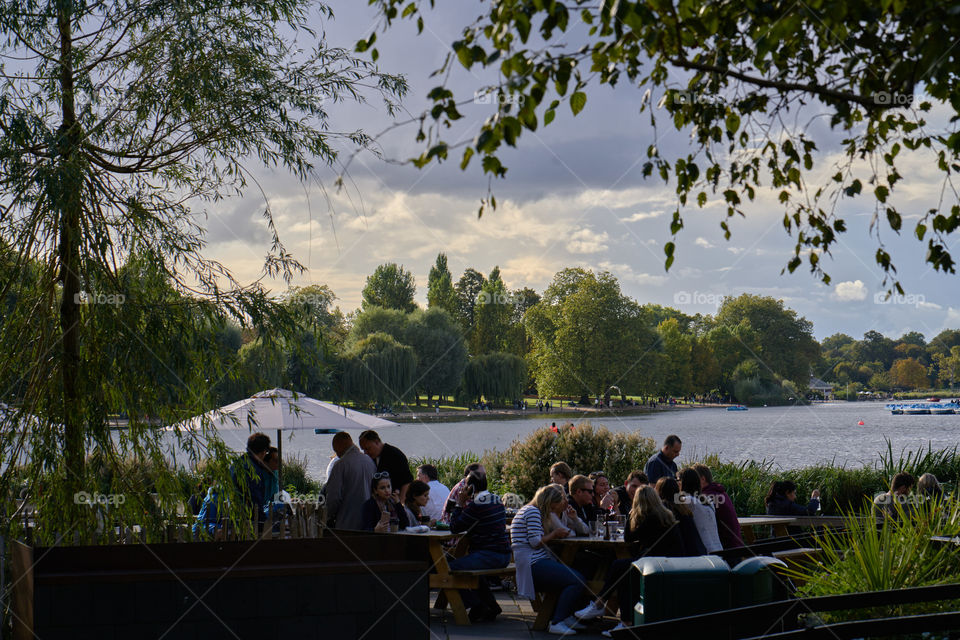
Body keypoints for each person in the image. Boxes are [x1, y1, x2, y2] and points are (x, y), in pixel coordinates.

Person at [574, 487, 683, 637]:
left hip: (658, 564)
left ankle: (601, 604)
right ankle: (624, 621)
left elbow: (628, 537)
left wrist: (631, 515)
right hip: (668, 562)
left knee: (619, 566)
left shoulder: (650, 518)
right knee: (624, 572)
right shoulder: (664, 514)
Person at [510, 484, 586, 636]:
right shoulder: (533, 512)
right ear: (550, 502)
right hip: (532, 564)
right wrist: (554, 534)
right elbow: (535, 542)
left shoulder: (531, 510)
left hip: (533, 562)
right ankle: (557, 621)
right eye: (555, 506)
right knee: (577, 580)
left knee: (574, 573)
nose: (555, 510)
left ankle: (563, 616)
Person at [448, 471, 511, 622]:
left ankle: (476, 605)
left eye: (465, 485)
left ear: (471, 487)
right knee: (473, 569)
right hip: (504, 555)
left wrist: (459, 503)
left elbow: (455, 527)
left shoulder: (477, 505)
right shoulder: (496, 499)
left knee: (449, 569)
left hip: (490, 555)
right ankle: (492, 605)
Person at [324, 432, 377, 530]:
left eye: (336, 450)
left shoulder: (340, 465)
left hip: (347, 523)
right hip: (370, 521)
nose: (337, 455)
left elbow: (333, 497)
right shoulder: (369, 461)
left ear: (340, 446)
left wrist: (328, 516)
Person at [692, 463, 743, 548]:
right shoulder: (719, 492)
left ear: (702, 479)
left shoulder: (708, 496)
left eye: (693, 480)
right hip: (736, 543)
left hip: (727, 547)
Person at [358, 430, 414, 504]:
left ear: (377, 442)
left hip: (395, 501)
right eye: (363, 450)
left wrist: (401, 504)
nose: (365, 453)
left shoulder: (395, 455)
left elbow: (407, 481)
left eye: (368, 448)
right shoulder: (372, 458)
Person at [229, 432, 272, 529]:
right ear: (263, 452)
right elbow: (254, 498)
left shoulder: (236, 464)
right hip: (250, 521)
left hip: (233, 518)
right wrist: (263, 522)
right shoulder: (253, 470)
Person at [656, 477, 706, 556]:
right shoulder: (684, 509)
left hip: (684, 558)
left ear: (658, 491)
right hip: (699, 553)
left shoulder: (664, 509)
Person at [679, 468, 723, 553]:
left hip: (707, 553)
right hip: (719, 550)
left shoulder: (688, 500)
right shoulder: (708, 501)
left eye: (677, 480)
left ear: (682, 482)